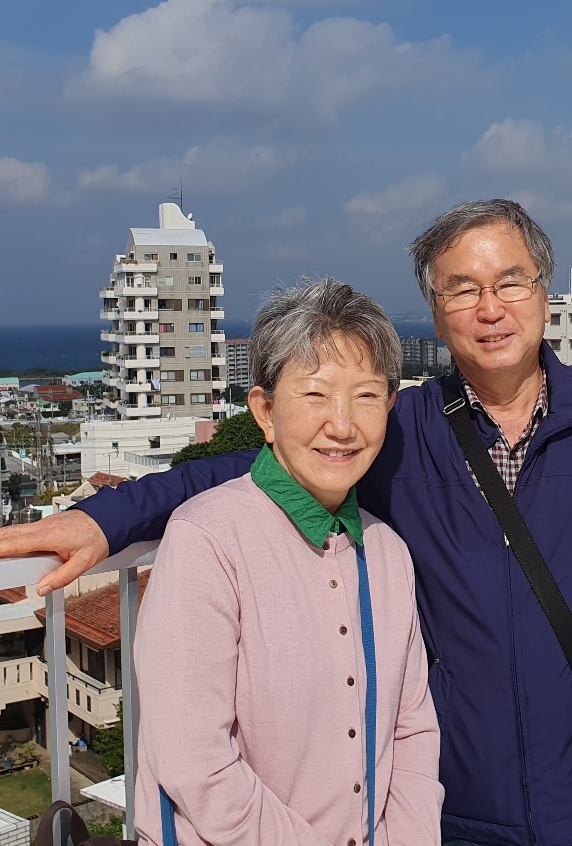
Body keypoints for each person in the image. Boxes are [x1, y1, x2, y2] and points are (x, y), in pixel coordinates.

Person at [0, 200, 572, 846]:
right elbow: (261, 467)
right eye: (461, 288)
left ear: (543, 288)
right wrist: (105, 519)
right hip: (456, 810)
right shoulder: (403, 430)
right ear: (435, 309)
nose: (489, 307)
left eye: (510, 280)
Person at [134, 278, 441, 845]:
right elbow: (195, 762)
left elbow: (412, 729)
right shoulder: (208, 538)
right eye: (315, 395)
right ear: (265, 411)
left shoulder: (387, 553)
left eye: (366, 396)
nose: (342, 425)